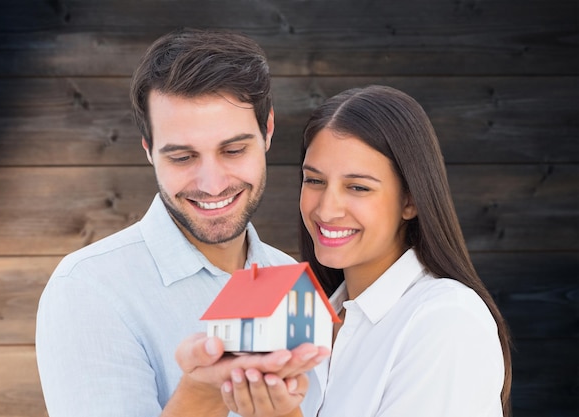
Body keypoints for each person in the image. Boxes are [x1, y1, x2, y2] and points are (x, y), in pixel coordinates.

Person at [35, 28, 329, 417]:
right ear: (149, 151)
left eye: (234, 149)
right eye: (182, 157)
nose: (213, 184)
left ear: (268, 131)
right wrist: (200, 394)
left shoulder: (291, 278)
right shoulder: (88, 289)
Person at [221, 85, 513, 416]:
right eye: (314, 181)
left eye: (358, 187)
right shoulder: (302, 315)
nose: (327, 210)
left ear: (410, 200)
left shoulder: (447, 321)